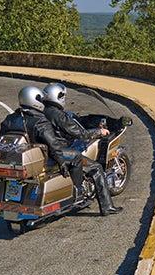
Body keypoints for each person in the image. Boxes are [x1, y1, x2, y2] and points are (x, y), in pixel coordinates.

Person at [42, 82, 122, 216]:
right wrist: (98, 132)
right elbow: (80, 134)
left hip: (47, 152)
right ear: (58, 97)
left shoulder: (42, 111)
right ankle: (107, 207)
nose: (64, 99)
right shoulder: (58, 115)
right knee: (96, 168)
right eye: (63, 96)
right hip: (62, 151)